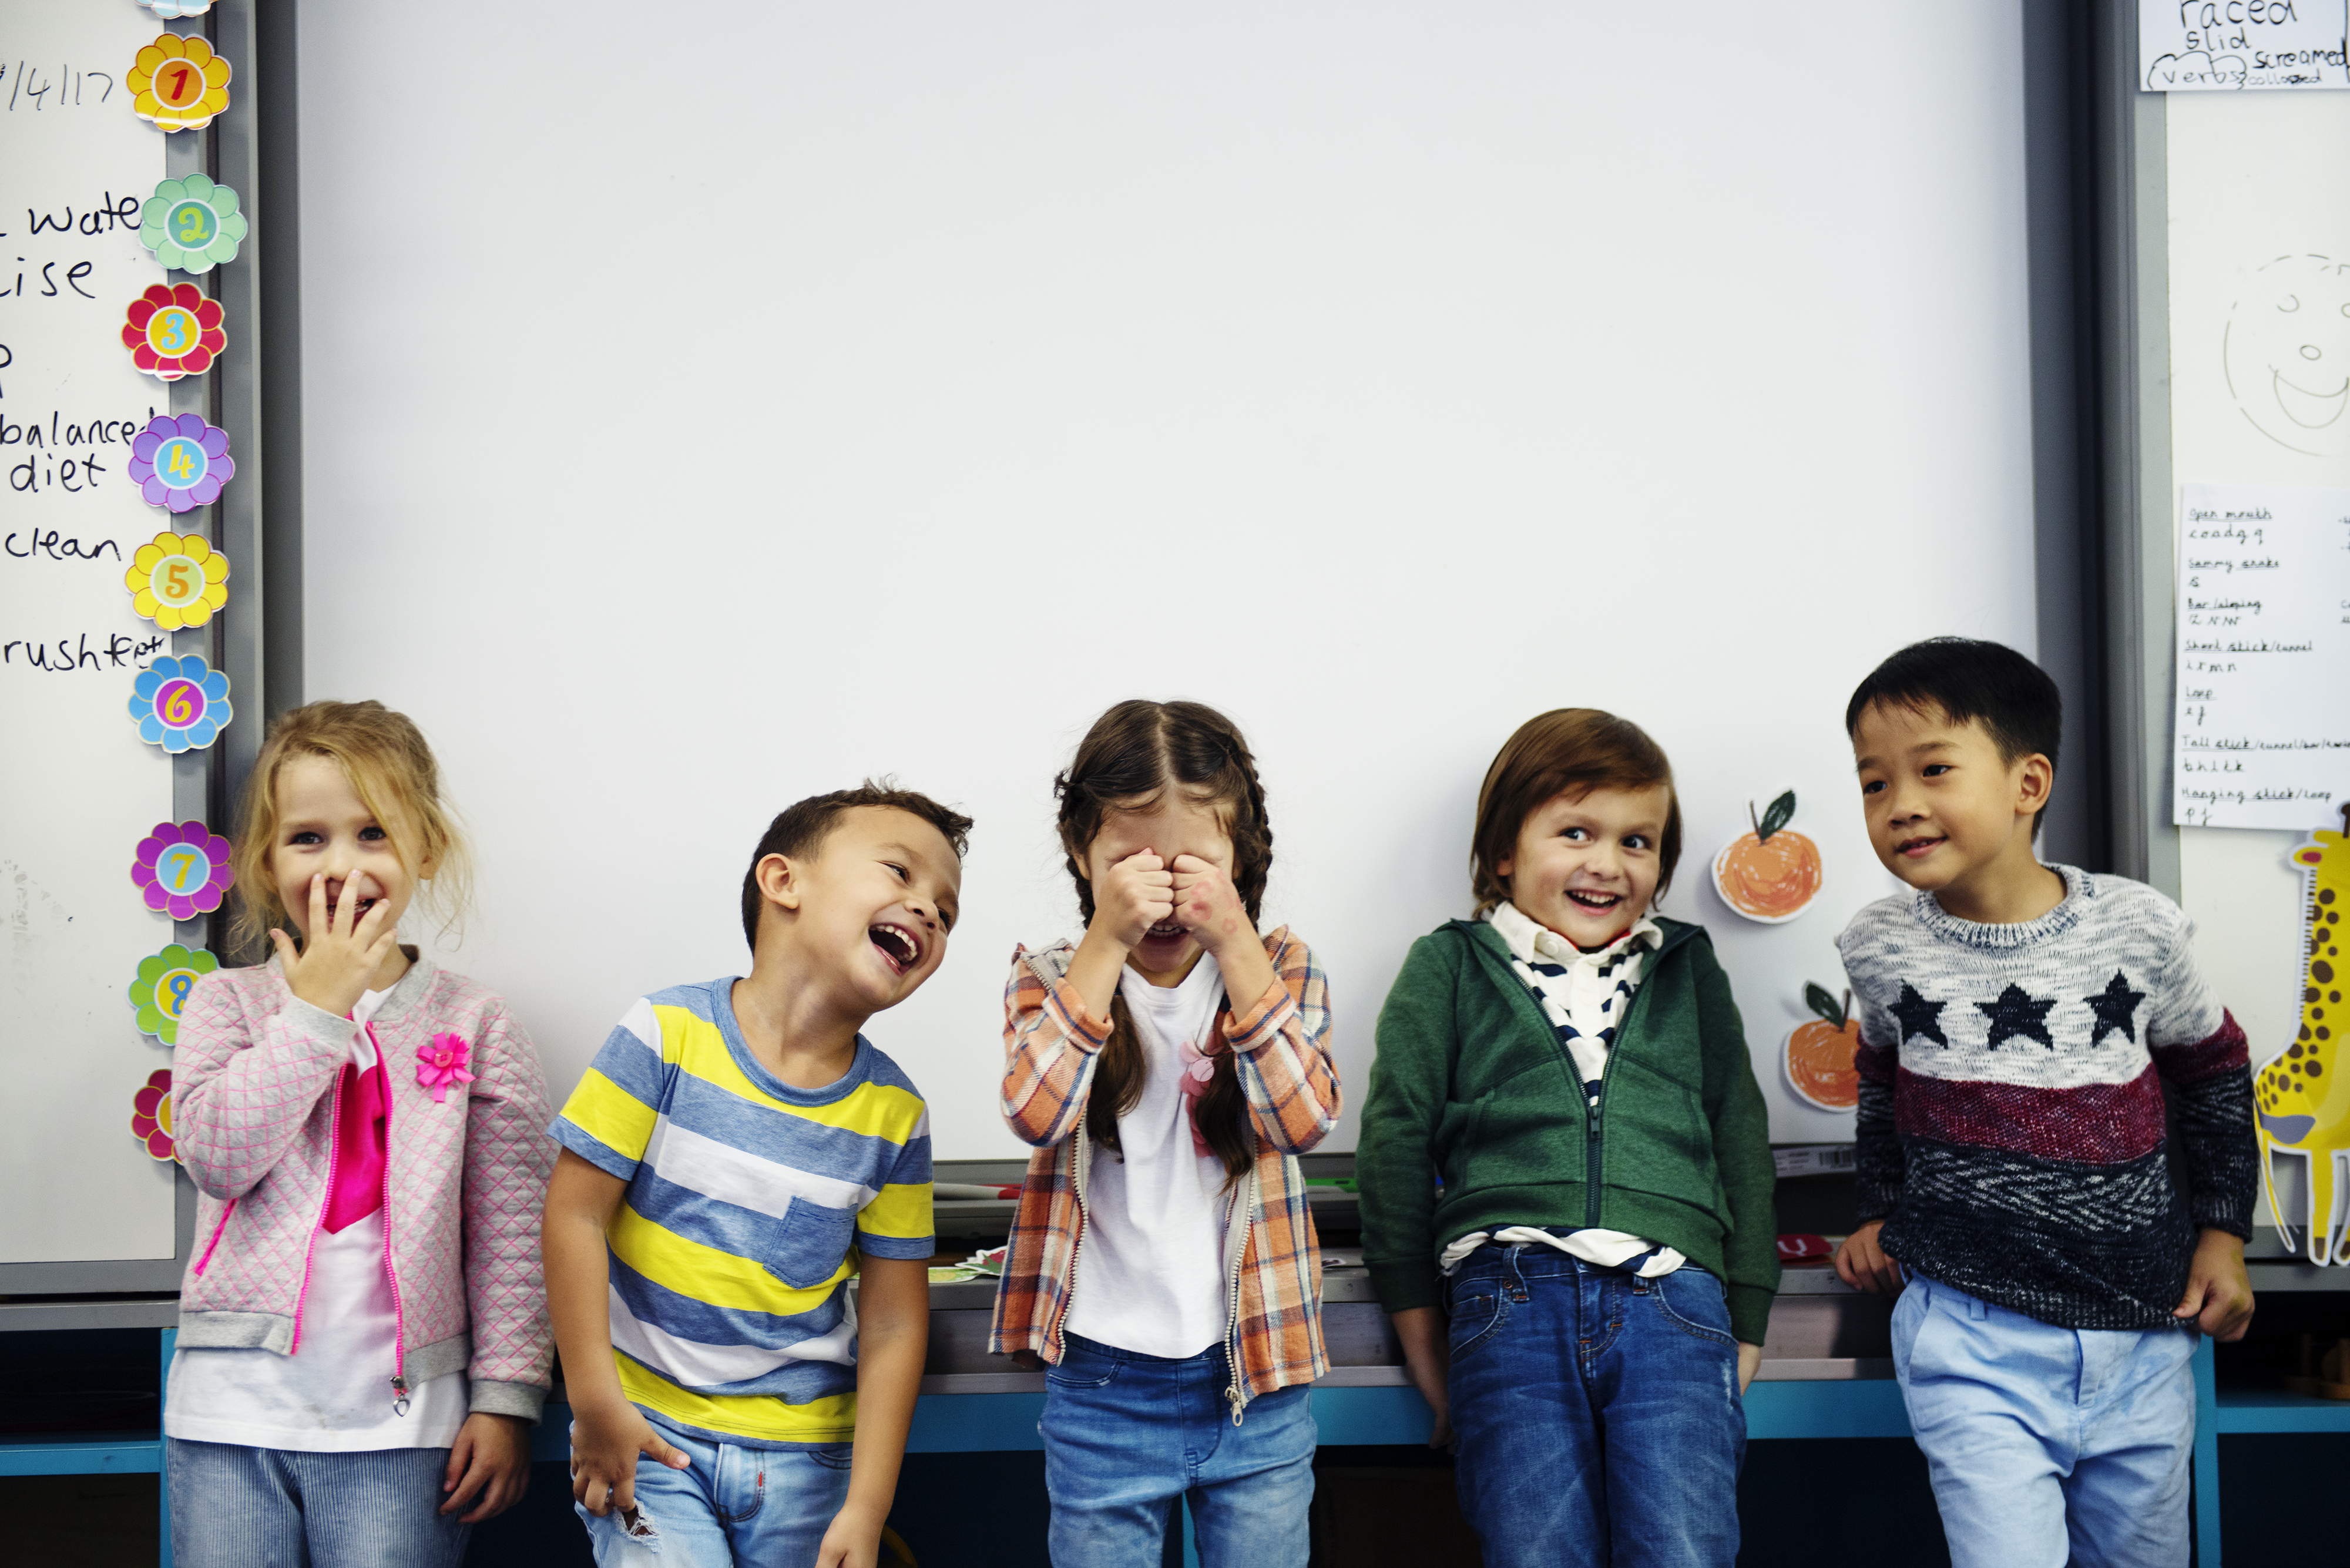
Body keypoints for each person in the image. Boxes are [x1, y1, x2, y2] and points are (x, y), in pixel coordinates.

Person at [1832, 637, 2257, 1568]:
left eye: (1933, 768)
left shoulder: (2138, 924)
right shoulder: (1876, 944)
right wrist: (1877, 1208)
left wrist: (2226, 1232)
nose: (1899, 803)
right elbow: (1881, 1077)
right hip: (1968, 1334)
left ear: (2029, 783)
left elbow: (2214, 1070)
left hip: (2144, 1333)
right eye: (1872, 783)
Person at [1358, 707, 1778, 1568]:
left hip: (1675, 1301)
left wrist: (1748, 1318)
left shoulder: (1687, 963)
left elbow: (1739, 1130)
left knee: (1684, 1552)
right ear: (1503, 852)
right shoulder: (1448, 966)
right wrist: (1420, 1340)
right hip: (1507, 1298)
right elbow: (1392, 1144)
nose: (1607, 863)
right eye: (1576, 830)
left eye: (1638, 840)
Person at [166, 700, 555, 1568]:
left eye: (372, 832)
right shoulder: (225, 1004)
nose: (341, 863)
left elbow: (512, 1236)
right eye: (308, 837)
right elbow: (221, 1158)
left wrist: (505, 1398)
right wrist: (316, 1010)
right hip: (231, 1416)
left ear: (425, 851)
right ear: (265, 863)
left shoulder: (478, 1021)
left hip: (405, 1428)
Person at [543, 783, 966, 1568]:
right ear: (784, 882)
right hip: (650, 1441)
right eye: (901, 873)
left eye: (946, 909)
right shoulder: (663, 1035)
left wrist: (867, 1509)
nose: (929, 911)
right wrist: (595, 1401)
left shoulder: (896, 1115)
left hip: (807, 1460)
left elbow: (894, 1323)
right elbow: (573, 1215)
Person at [991, 700, 1340, 1568]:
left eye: (1193, 866)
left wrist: (1236, 943)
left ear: (1239, 855)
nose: (1164, 893)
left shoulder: (1283, 970)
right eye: (1130, 865)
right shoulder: (1046, 979)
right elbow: (1037, 1111)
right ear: (1082, 854)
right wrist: (1105, 940)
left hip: (1254, 1375)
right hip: (1103, 1382)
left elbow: (1304, 1120)